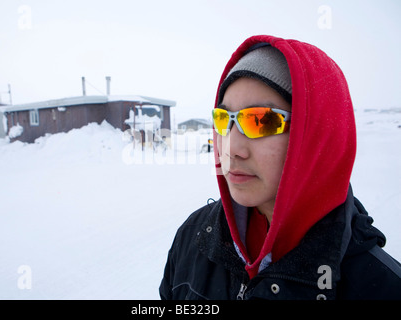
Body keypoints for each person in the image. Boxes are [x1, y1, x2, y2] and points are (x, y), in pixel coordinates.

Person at [159, 35, 401, 300]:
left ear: (316, 136)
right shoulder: (193, 238)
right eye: (223, 119)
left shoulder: (380, 286)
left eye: (261, 121)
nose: (231, 148)